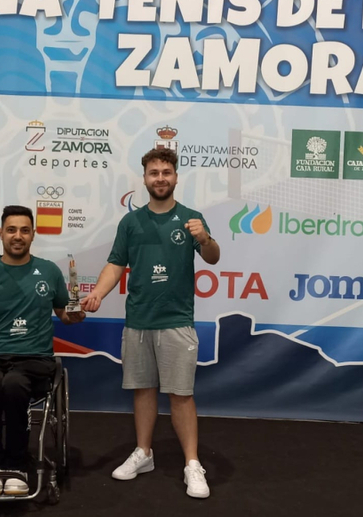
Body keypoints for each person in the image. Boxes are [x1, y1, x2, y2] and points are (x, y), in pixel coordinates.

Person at [80, 148, 220, 499]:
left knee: (181, 395)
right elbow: (116, 264)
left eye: (166, 172)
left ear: (175, 177)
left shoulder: (191, 218)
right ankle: (144, 453)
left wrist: (203, 236)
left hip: (176, 321)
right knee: (143, 390)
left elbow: (213, 257)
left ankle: (191, 464)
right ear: (144, 178)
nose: (160, 178)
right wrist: (97, 292)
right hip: (138, 320)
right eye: (154, 172)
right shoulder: (131, 222)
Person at [0, 205, 85, 496]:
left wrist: (72, 316)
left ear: (33, 235)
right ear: (0, 234)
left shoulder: (48, 271)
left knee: (14, 384)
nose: (18, 236)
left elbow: (64, 312)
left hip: (35, 359)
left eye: (24, 230)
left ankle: (18, 465)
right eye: (11, 230)